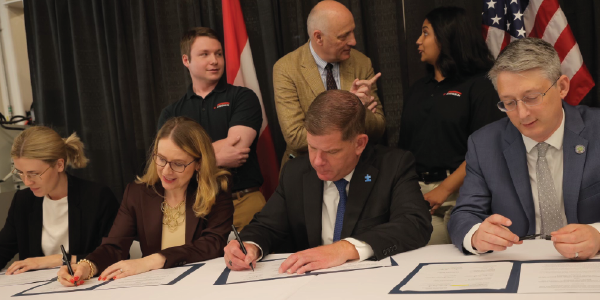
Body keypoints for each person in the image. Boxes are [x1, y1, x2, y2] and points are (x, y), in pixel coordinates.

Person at [223, 90, 431, 274]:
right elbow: (267, 226)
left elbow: (415, 223)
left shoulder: (393, 166)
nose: (317, 161)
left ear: (360, 143)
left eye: (332, 151)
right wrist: (249, 245)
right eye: (312, 147)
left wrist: (343, 249)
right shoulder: (296, 172)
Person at [448, 37, 600, 260]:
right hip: (517, 268)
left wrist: (598, 234)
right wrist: (476, 235)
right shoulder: (484, 144)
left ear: (562, 87)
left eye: (531, 98)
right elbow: (464, 214)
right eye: (509, 103)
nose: (522, 114)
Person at [57, 117, 233, 286]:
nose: (166, 171)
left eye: (178, 164)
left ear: (199, 163)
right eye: (161, 159)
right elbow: (115, 246)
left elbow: (213, 243)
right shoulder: (137, 193)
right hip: (155, 288)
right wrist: (88, 266)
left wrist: (153, 260)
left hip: (203, 284)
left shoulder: (216, 192)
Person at [398, 6, 504, 245]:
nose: (418, 41)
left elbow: (486, 152)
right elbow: (404, 150)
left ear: (447, 37)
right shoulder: (418, 89)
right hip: (414, 194)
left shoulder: (480, 86)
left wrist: (443, 190)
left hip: (461, 195)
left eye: (425, 33)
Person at [158, 27, 265, 231]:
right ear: (186, 60)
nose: (214, 60)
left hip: (243, 202)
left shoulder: (243, 97)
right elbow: (167, 166)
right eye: (204, 54)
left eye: (218, 53)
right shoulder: (171, 113)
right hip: (195, 207)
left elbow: (235, 150)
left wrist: (188, 159)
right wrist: (216, 155)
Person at [274, 0, 385, 167]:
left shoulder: (361, 63)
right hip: (308, 169)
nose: (353, 41)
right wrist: (350, 106)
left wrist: (362, 110)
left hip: (356, 167)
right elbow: (295, 137)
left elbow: (378, 127)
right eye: (343, 36)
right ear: (319, 37)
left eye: (353, 32)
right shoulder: (286, 69)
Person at [0, 127, 119, 274]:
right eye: (20, 173)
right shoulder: (23, 201)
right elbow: (3, 248)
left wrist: (59, 259)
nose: (27, 182)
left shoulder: (97, 197)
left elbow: (114, 254)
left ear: (59, 165)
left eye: (34, 174)